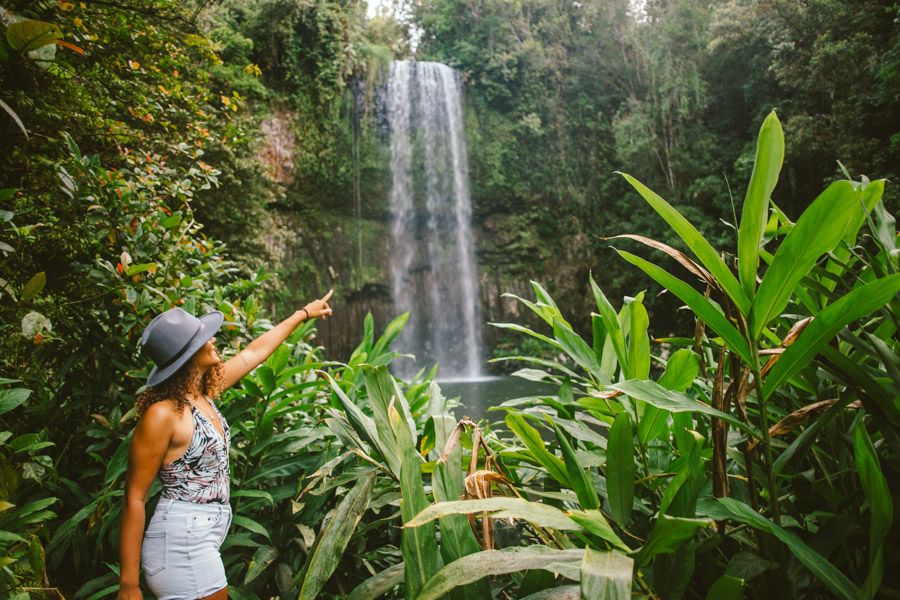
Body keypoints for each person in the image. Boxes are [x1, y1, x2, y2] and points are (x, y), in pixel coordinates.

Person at [117, 291, 334, 600]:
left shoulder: (202, 395)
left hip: (203, 537)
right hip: (182, 543)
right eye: (205, 339)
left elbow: (253, 354)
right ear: (188, 353)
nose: (214, 340)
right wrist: (128, 584)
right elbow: (134, 497)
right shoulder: (162, 414)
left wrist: (302, 313)